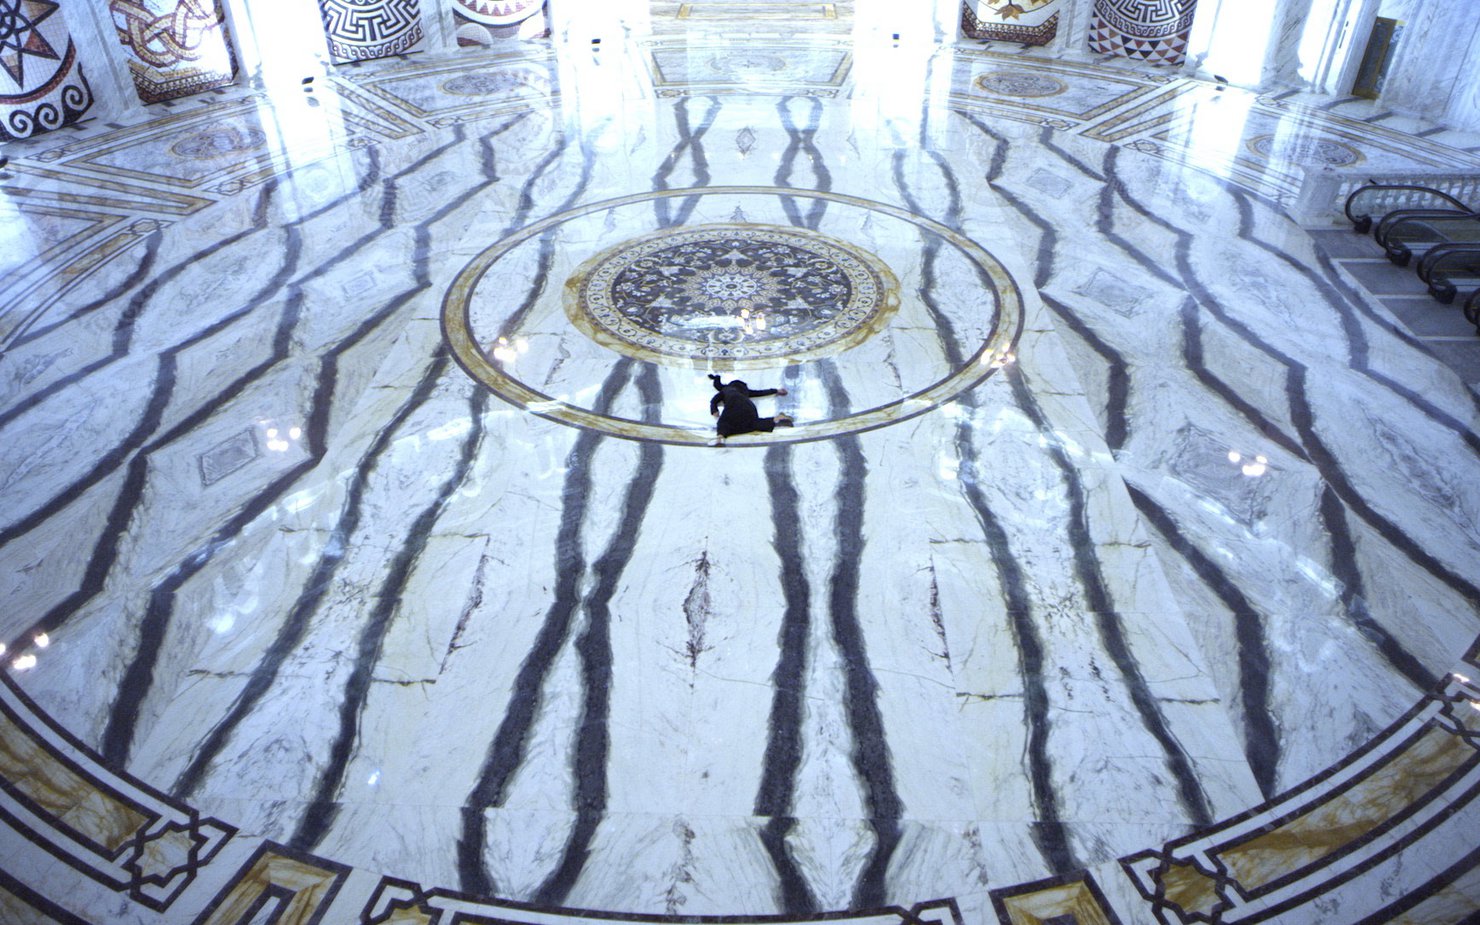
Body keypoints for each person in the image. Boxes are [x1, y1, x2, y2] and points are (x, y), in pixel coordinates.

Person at [708, 374, 793, 445]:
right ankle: (777, 418)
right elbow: (760, 392)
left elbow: (714, 399)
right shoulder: (746, 391)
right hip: (748, 406)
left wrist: (714, 410)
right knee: (753, 422)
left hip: (734, 403)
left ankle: (720, 437)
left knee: (724, 422)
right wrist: (776, 390)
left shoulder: (726, 389)